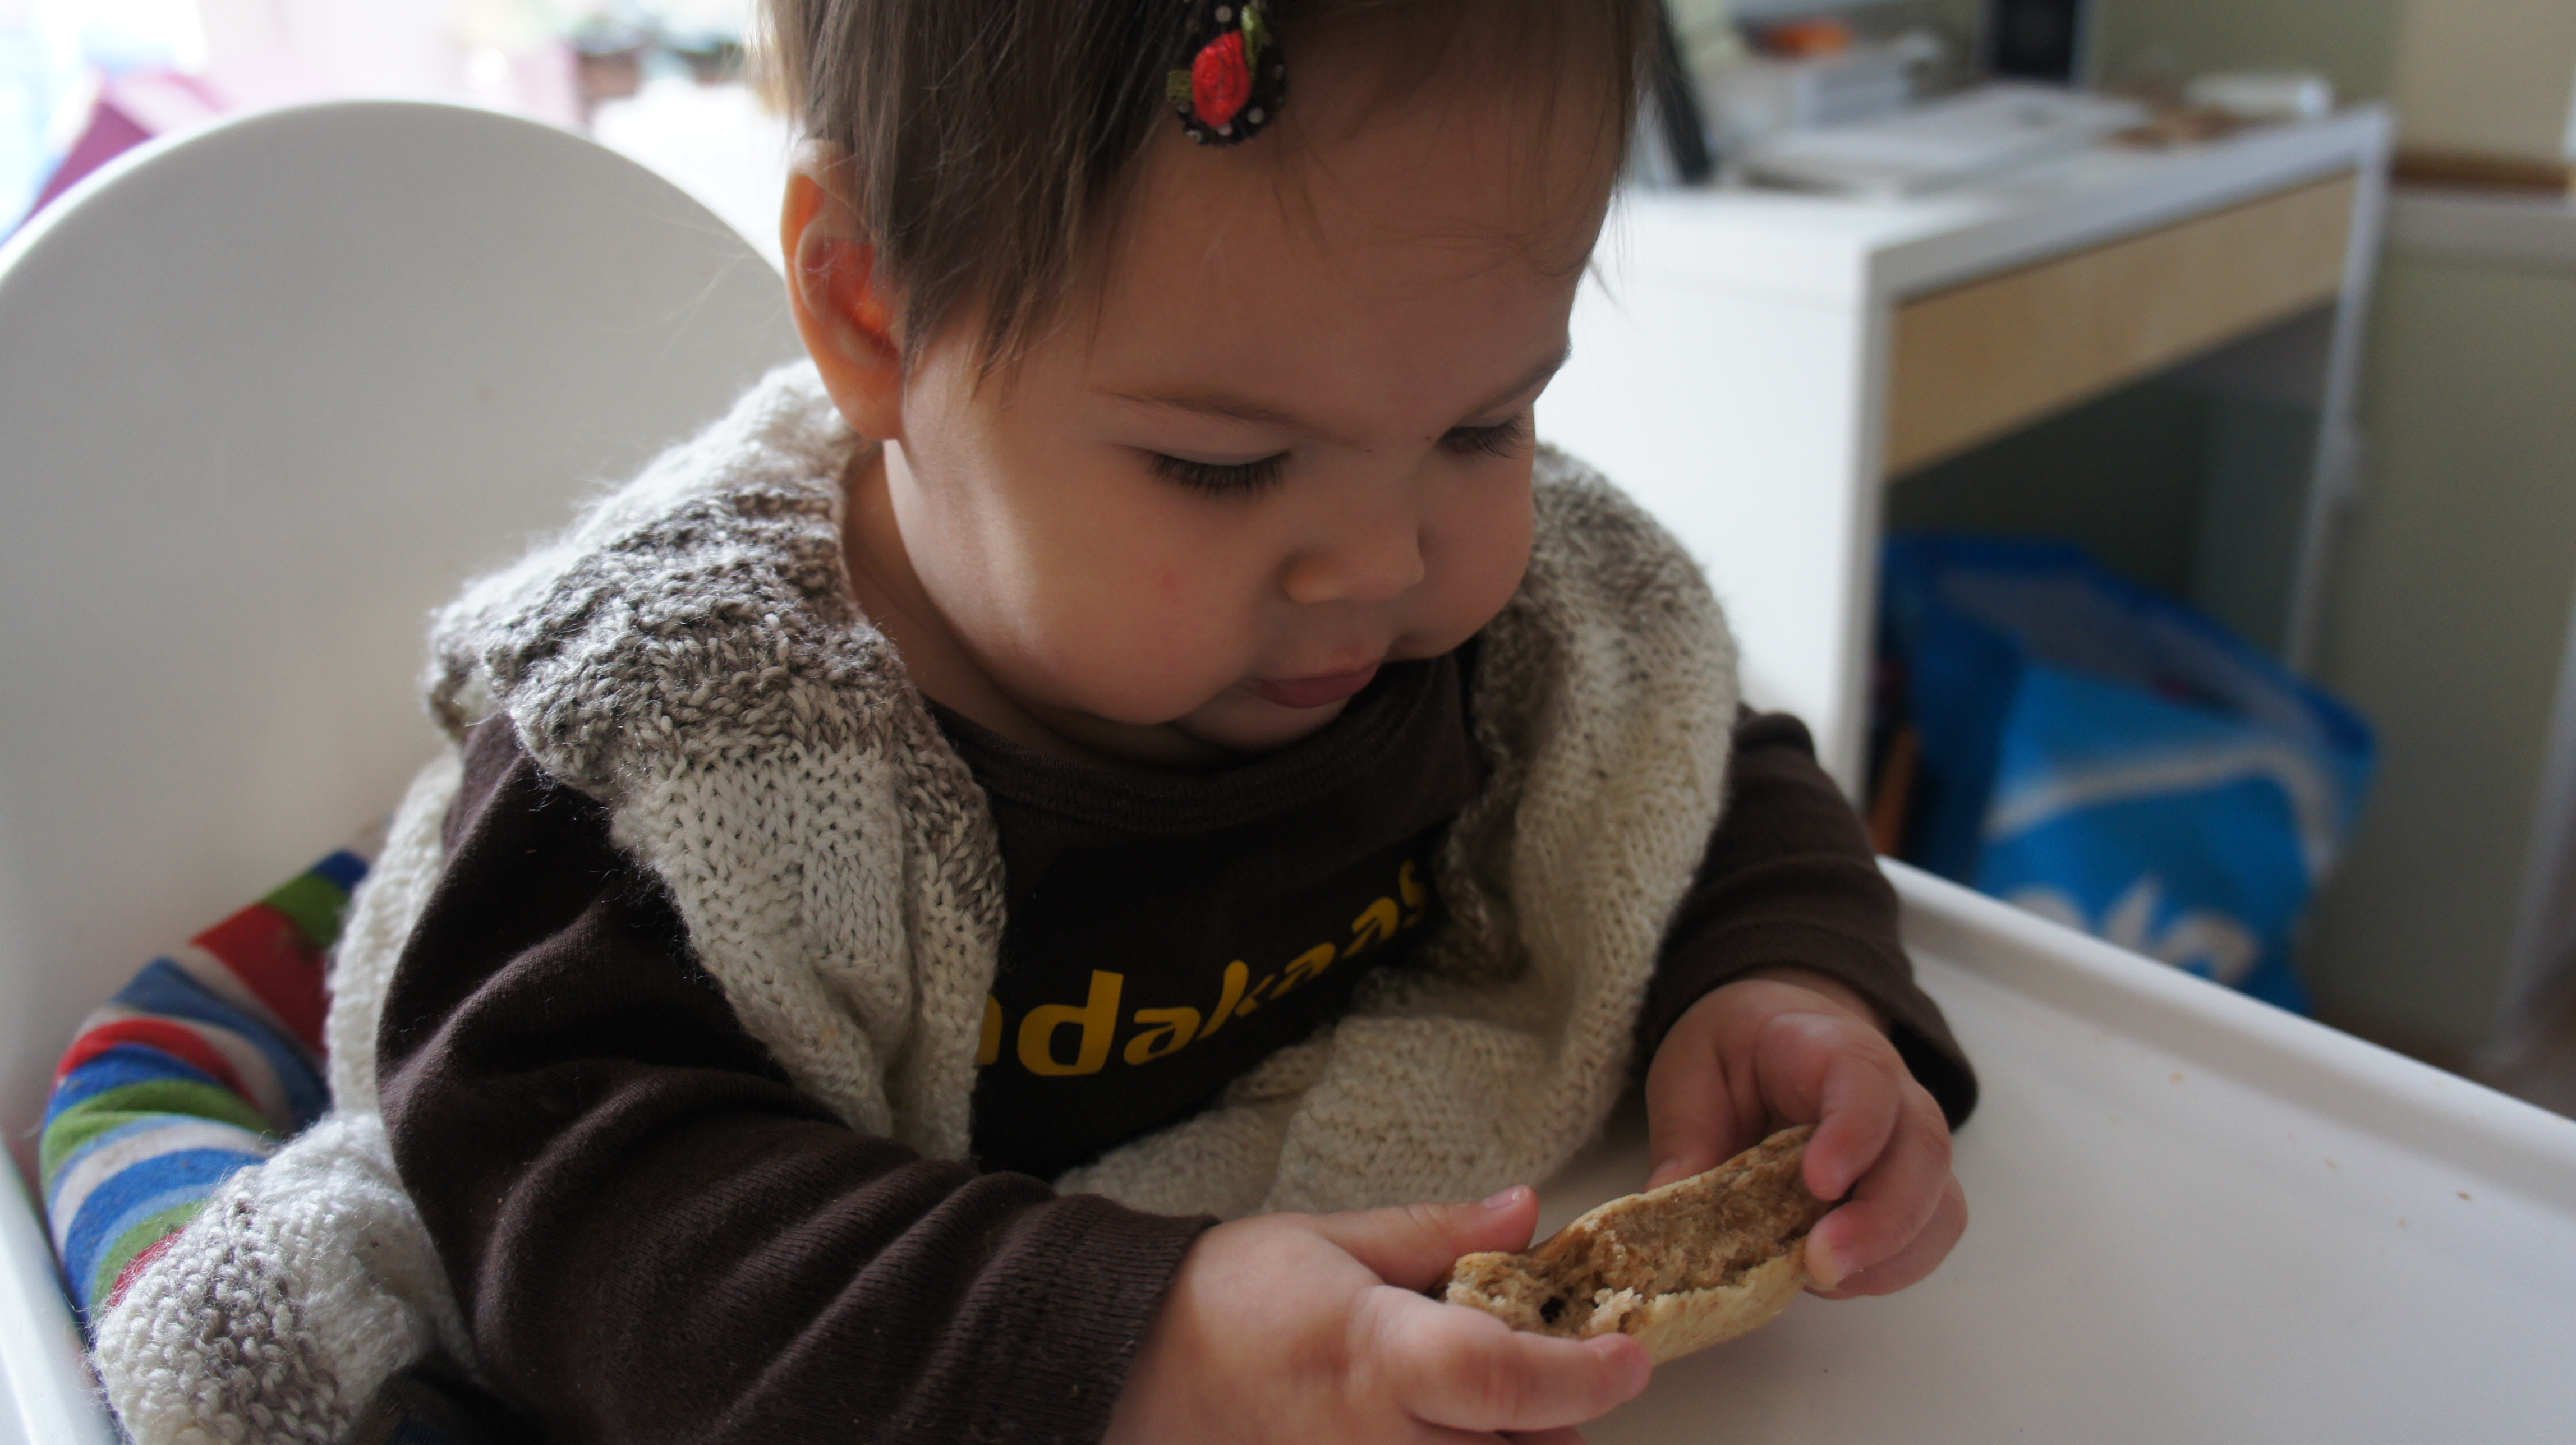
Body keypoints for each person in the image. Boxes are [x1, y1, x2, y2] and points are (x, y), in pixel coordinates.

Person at [92, 3, 1975, 1443]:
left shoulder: (1505, 613)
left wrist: (1781, 982)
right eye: (1220, 468)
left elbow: (1686, 770)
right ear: (876, 316)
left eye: (1486, 423)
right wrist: (1138, 1343)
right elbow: (572, 1204)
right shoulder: (693, 758)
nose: (1388, 564)